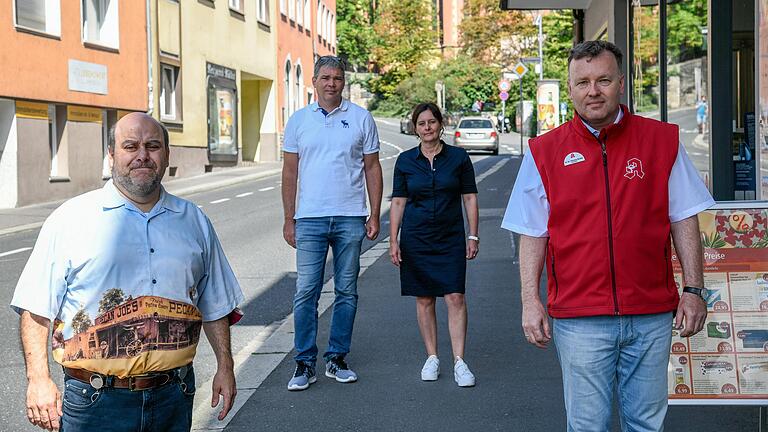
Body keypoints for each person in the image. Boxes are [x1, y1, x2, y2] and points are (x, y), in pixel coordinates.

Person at [502, 40, 714, 432]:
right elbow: (533, 231)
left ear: (621, 82)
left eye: (603, 80)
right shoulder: (544, 151)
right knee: (587, 426)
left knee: (646, 424)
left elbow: (684, 217)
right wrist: (529, 301)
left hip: (650, 313)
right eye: (582, 82)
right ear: (570, 89)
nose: (593, 91)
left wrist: (694, 290)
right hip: (580, 318)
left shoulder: (661, 141)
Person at [11, 112, 244, 432]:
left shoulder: (194, 221)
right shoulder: (71, 219)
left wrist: (225, 367)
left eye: (152, 146)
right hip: (95, 402)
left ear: (166, 155)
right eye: (130, 146)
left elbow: (215, 302)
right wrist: (38, 380)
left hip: (174, 396)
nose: (142, 156)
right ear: (111, 156)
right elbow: (36, 307)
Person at [281, 55, 383, 391]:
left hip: (350, 216)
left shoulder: (360, 118)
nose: (331, 84)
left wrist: (374, 213)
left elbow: (372, 168)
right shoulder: (298, 121)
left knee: (347, 291)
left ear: (343, 81)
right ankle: (304, 362)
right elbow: (290, 172)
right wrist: (288, 218)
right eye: (325, 78)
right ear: (314, 81)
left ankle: (336, 357)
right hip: (309, 218)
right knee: (305, 292)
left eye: (337, 78)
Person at [389, 102, 479, 387]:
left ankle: (460, 361)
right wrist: (393, 240)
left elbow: (469, 198)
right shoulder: (405, 161)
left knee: (455, 297)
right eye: (421, 123)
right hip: (416, 238)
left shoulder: (459, 158)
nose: (427, 128)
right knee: (425, 298)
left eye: (432, 122)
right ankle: (432, 357)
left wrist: (473, 235)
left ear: (441, 124)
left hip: (450, 237)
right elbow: (399, 202)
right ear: (415, 128)